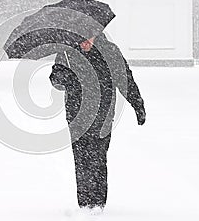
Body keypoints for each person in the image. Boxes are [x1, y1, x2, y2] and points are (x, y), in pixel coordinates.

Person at [49, 32, 146, 210]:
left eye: (88, 39)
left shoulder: (110, 52)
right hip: (76, 113)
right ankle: (85, 203)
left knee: (98, 157)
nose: (84, 43)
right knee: (81, 157)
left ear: (96, 35)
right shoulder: (67, 53)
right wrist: (65, 78)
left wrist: (137, 105)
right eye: (81, 39)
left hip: (103, 112)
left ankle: (98, 202)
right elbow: (55, 79)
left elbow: (126, 80)